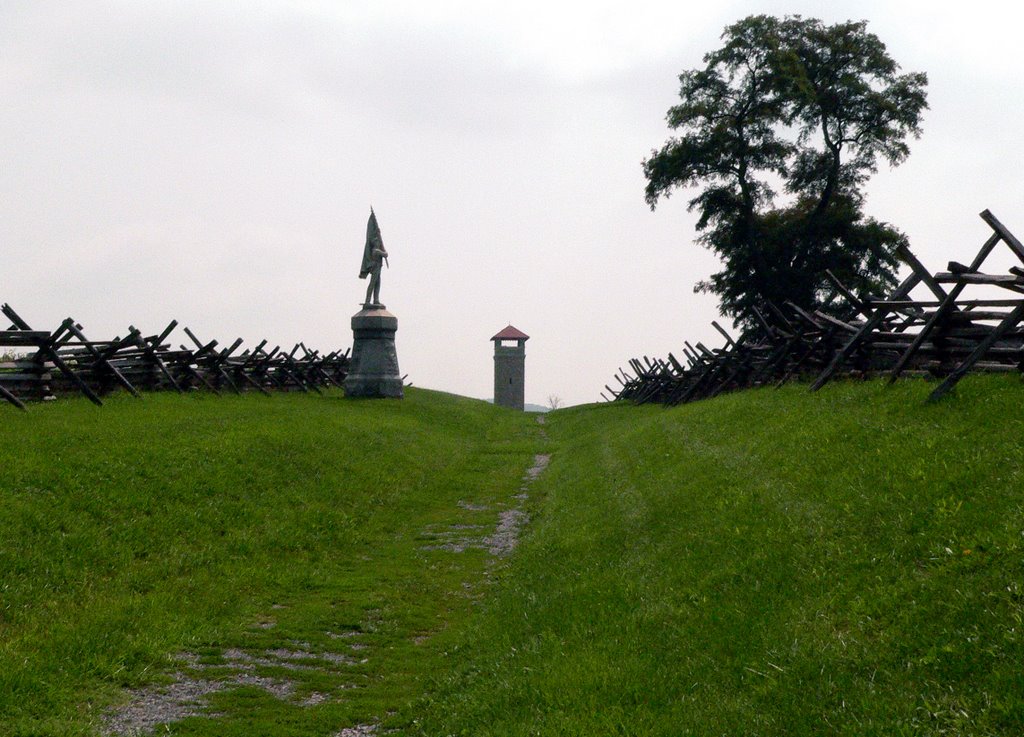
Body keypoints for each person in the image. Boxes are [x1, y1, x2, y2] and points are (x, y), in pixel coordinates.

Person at [359, 208, 389, 306]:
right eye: (377, 241)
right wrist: (384, 252)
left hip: (379, 267)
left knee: (378, 284)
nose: (379, 242)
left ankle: (376, 300)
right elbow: (385, 254)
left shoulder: (378, 249)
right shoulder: (375, 250)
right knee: (373, 283)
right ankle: (368, 301)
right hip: (375, 267)